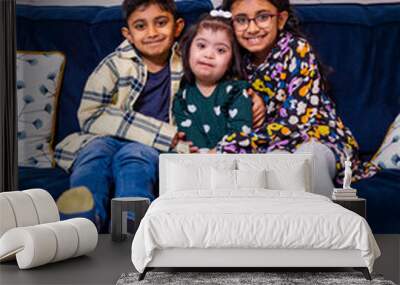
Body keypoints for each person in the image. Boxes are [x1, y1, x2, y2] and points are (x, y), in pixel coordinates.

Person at [54, 0, 189, 230]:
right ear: (128, 34)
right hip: (103, 138)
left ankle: (131, 229)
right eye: (140, 26)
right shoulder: (114, 65)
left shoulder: (187, 64)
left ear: (177, 27)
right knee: (92, 158)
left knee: (134, 161)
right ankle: (79, 224)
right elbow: (90, 115)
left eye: (161, 22)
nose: (152, 33)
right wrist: (164, 133)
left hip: (150, 146)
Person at [219, 0, 378, 196]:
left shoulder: (297, 49)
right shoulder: (234, 60)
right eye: (241, 20)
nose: (252, 28)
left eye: (262, 17)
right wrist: (249, 94)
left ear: (281, 19)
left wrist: (234, 143)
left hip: (316, 135)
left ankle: (327, 222)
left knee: (309, 158)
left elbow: (296, 121)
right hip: (271, 145)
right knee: (275, 163)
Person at [173, 11, 253, 153]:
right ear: (188, 49)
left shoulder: (236, 92)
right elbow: (185, 136)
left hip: (229, 161)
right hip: (194, 164)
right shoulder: (182, 95)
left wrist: (216, 153)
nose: (209, 55)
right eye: (201, 46)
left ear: (231, 60)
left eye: (221, 50)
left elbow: (241, 133)